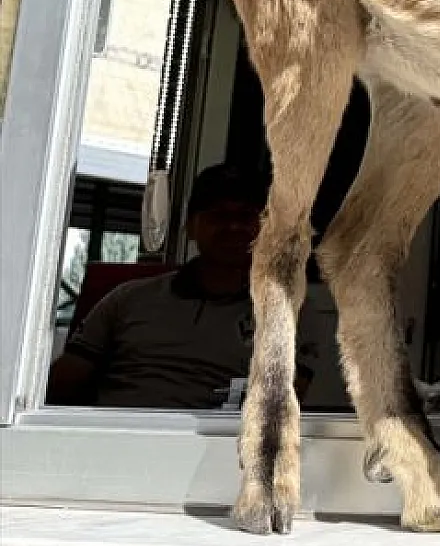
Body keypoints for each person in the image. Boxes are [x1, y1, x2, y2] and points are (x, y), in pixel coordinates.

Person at [46, 162, 325, 410]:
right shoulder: (128, 298)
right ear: (190, 227)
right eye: (218, 216)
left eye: (246, 217)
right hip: (109, 432)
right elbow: (63, 381)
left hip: (216, 442)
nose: (233, 227)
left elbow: (279, 409)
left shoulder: (291, 312)